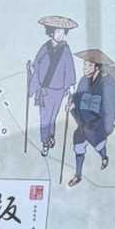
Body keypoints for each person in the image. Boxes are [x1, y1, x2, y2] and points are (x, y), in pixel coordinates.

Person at [27, 15, 77, 155]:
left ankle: (50, 136)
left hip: (59, 90)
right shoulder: (45, 48)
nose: (60, 35)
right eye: (58, 31)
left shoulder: (65, 49)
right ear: (51, 32)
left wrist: (71, 88)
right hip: (45, 90)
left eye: (63, 32)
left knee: (53, 117)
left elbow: (69, 69)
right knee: (45, 118)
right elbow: (37, 66)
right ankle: (45, 142)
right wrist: (31, 70)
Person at [68, 50, 115, 187]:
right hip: (83, 120)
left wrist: (107, 127)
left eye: (89, 65)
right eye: (85, 65)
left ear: (97, 67)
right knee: (78, 144)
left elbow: (111, 108)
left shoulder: (108, 84)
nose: (85, 68)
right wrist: (72, 103)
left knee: (97, 141)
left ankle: (104, 156)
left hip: (98, 121)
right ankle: (78, 175)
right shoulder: (84, 80)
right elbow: (78, 97)